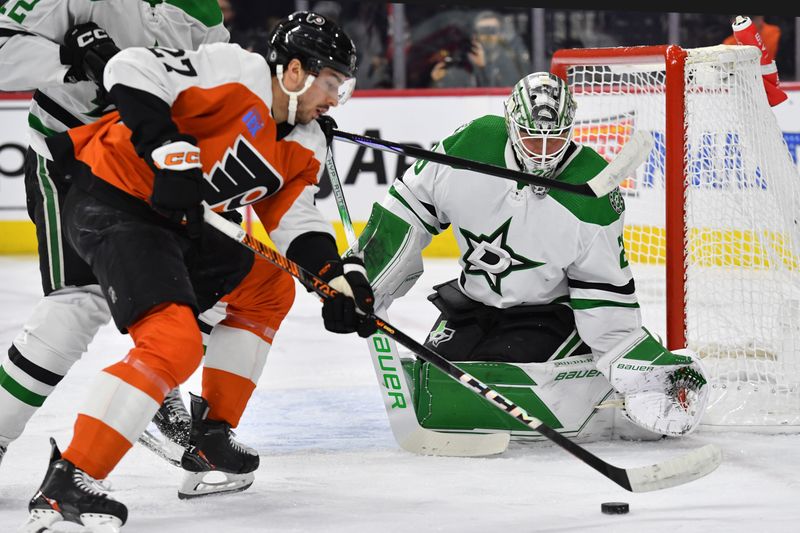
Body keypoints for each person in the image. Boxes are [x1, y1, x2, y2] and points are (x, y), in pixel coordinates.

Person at [20, 10, 375, 531]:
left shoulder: (304, 138)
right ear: (294, 72)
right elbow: (131, 66)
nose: (333, 100)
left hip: (179, 225)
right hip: (114, 198)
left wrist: (333, 278)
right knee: (173, 342)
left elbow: (293, 216)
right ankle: (68, 480)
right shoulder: (237, 71)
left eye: (342, 90)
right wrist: (168, 149)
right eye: (330, 84)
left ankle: (210, 439)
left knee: (270, 286)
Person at [351, 72, 710, 443]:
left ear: (571, 128)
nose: (542, 152)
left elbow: (603, 290)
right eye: (530, 137)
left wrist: (633, 366)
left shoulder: (593, 196)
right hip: (472, 304)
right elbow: (407, 209)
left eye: (554, 138)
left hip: (545, 313)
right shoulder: (470, 144)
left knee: (502, 388)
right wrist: (368, 278)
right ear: (510, 124)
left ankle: (592, 376)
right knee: (436, 388)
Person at [0, 0, 229, 471]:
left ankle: (157, 396)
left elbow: (219, 87)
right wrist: (68, 60)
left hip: (149, 169)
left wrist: (287, 121)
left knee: (223, 279)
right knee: (79, 302)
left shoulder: (201, 9)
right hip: (71, 159)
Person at [430, 10, 529, 88]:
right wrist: (436, 82)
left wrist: (484, 67)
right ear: (475, 35)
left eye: (492, 30)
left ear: (500, 34)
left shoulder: (511, 64)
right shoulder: (463, 64)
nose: (487, 36)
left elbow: (504, 97)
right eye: (483, 30)